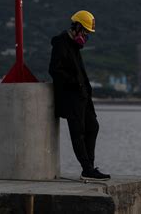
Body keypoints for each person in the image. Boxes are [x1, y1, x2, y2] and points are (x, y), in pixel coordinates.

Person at [49, 10, 111, 181]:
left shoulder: (75, 46)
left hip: (84, 97)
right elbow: (54, 70)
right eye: (85, 31)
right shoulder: (61, 43)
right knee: (78, 133)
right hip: (71, 98)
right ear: (76, 27)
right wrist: (74, 83)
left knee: (93, 127)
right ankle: (87, 168)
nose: (86, 36)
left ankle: (89, 166)